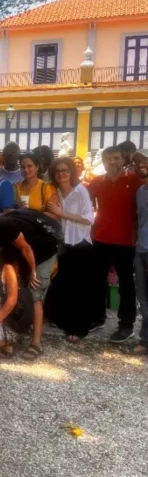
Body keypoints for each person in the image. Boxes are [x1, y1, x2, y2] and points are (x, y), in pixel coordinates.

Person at [0, 207, 60, 361]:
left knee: (35, 294)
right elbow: (11, 254)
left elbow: (26, 247)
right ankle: (11, 335)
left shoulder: (4, 225)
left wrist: (33, 272)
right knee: (15, 289)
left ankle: (36, 344)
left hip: (43, 254)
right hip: (25, 256)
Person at [88, 146, 142, 343]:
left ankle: (126, 325)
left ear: (123, 159)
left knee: (126, 285)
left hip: (126, 241)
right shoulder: (96, 182)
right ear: (103, 162)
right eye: (109, 159)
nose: (113, 162)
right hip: (100, 238)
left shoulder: (134, 180)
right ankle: (98, 317)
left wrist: (136, 156)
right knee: (97, 282)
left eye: (117, 158)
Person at [43, 158, 95, 343]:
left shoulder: (81, 191)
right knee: (64, 285)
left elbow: (88, 219)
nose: (61, 174)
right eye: (58, 171)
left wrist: (62, 213)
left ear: (72, 172)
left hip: (80, 243)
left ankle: (79, 327)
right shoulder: (55, 192)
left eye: (65, 170)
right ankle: (62, 320)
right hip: (64, 244)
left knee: (79, 288)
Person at [131, 149, 148, 355]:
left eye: (145, 161)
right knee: (143, 297)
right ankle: (145, 338)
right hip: (141, 248)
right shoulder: (140, 191)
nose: (141, 165)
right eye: (137, 163)